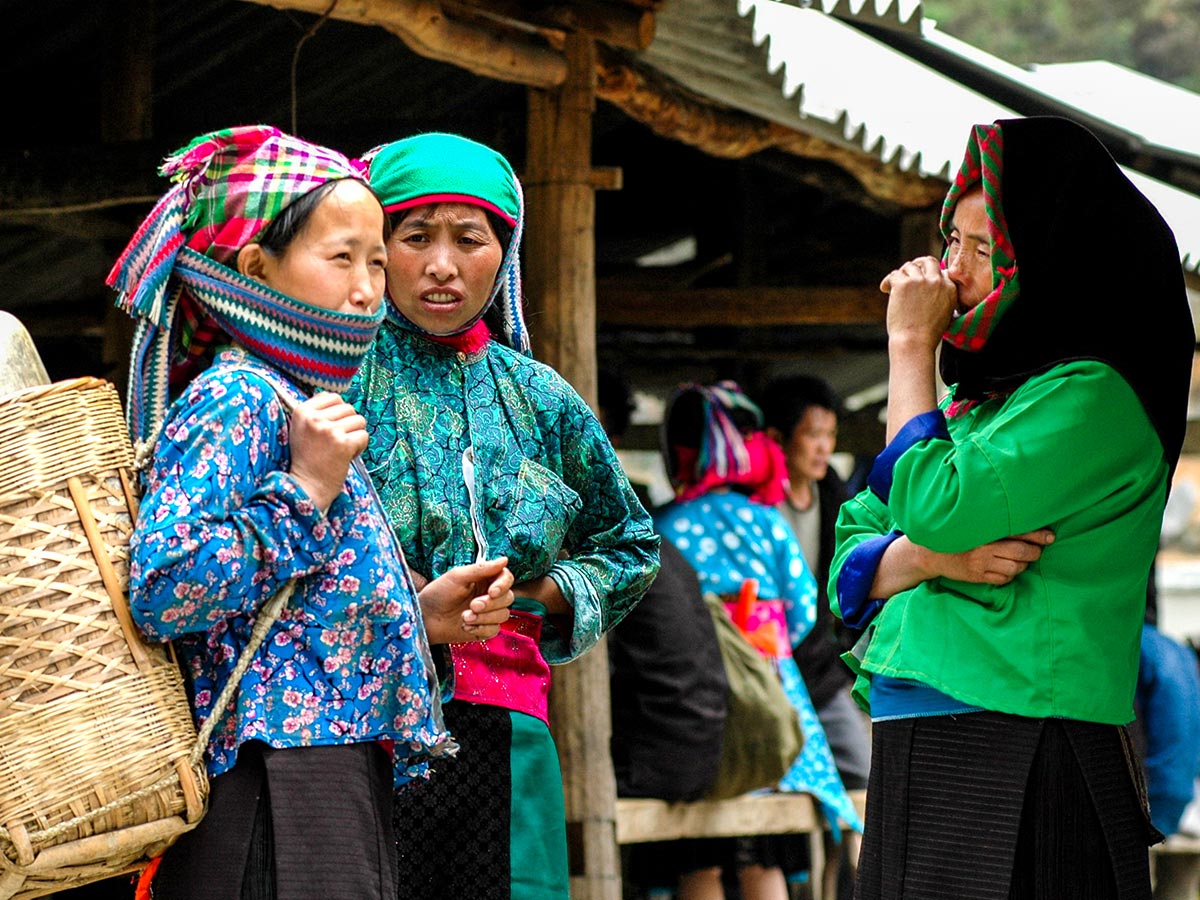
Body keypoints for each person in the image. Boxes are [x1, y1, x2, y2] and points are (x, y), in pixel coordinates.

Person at [111, 125, 515, 900]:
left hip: (325, 769)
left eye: (373, 260)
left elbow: (293, 608)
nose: (367, 289)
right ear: (256, 267)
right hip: (271, 775)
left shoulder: (299, 401)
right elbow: (162, 588)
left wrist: (416, 612)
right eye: (341, 259)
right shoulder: (238, 397)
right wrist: (304, 490)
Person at [830, 116, 1194, 899]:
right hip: (918, 724)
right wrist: (924, 560)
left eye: (981, 250)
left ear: (1056, 261)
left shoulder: (1094, 396)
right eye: (949, 240)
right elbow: (856, 532)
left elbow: (929, 502)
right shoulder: (978, 398)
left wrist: (907, 350)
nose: (948, 271)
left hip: (1025, 729)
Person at [345, 131, 661, 900]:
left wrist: (527, 594)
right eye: (416, 237)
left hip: (509, 723)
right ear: (380, 247)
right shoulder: (338, 373)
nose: (442, 265)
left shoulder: (542, 399)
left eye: (469, 239)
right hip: (362, 716)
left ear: (505, 250)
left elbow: (630, 544)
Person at [654, 380, 862, 900]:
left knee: (698, 860)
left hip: (691, 706)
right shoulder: (768, 522)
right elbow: (802, 614)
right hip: (772, 703)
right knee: (762, 855)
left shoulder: (660, 527)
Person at [758, 375, 870, 792]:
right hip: (764, 672)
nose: (824, 447)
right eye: (812, 435)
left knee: (863, 773)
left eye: (830, 435)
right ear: (776, 437)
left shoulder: (835, 499)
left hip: (822, 671)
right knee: (767, 784)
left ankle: (851, 861)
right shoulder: (755, 505)